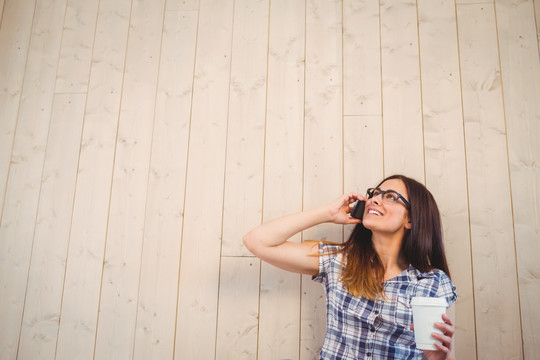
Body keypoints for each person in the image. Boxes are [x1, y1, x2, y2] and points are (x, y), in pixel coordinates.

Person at [243, 174, 457, 360]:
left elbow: (445, 352)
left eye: (390, 197)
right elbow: (256, 241)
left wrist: (439, 358)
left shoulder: (434, 283)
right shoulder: (337, 260)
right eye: (375, 193)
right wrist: (327, 213)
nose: (375, 200)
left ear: (410, 219)